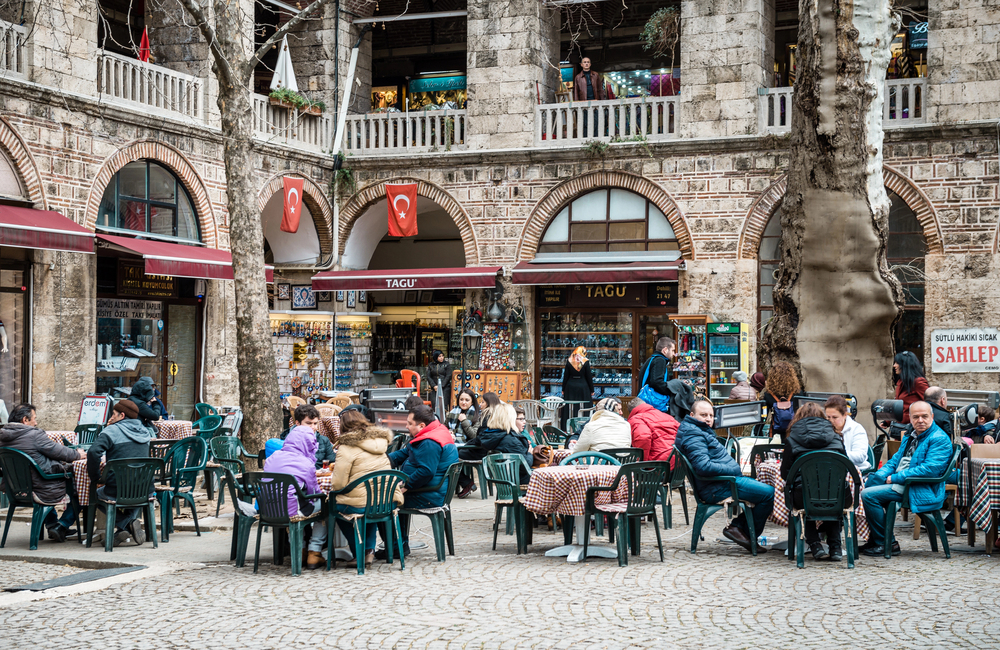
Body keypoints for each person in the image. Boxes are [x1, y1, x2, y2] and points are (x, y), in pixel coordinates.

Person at [674, 400, 774, 554]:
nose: (708, 419)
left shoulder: (697, 430)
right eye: (703, 415)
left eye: (711, 415)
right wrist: (731, 469)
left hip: (721, 482)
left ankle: (739, 529)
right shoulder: (693, 433)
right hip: (718, 486)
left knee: (766, 491)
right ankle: (740, 530)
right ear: (692, 415)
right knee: (769, 493)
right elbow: (703, 467)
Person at [860, 401, 952, 557]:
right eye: (916, 417)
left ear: (932, 416)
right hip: (907, 483)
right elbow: (895, 460)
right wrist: (881, 476)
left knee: (868, 496)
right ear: (910, 418)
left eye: (924, 416)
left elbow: (928, 470)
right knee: (865, 486)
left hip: (922, 487)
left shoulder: (939, 438)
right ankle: (876, 540)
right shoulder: (911, 435)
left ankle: (886, 543)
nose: (920, 420)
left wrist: (894, 478)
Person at [0, 403, 85, 543]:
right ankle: (61, 526)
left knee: (42, 480)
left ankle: (52, 524)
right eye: (34, 418)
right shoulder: (33, 435)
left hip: (16, 490)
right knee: (81, 488)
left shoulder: (2, 437)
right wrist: (77, 454)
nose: (36, 422)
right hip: (40, 488)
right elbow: (58, 451)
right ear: (25, 420)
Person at [381, 405, 458, 559]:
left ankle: (395, 547)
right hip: (431, 490)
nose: (406, 426)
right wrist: (378, 459)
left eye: (409, 423)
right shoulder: (433, 432)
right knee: (391, 495)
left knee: (383, 501)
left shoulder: (429, 442)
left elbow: (426, 472)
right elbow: (402, 454)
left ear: (421, 425)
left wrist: (404, 486)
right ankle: (399, 544)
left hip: (429, 494)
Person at [329, 408, 402, 569]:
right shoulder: (380, 443)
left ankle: (358, 552)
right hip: (386, 502)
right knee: (371, 506)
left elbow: (338, 484)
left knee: (334, 508)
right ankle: (369, 550)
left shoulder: (346, 448)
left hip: (361, 504)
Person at [780, 402, 849, 561]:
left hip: (803, 495)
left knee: (802, 496)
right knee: (831, 495)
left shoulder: (792, 440)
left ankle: (815, 545)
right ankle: (836, 547)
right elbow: (844, 468)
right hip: (836, 495)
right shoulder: (836, 438)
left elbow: (785, 474)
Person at [87, 400, 153, 547]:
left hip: (117, 489)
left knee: (95, 494)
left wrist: (96, 477)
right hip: (144, 489)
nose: (111, 417)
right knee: (135, 491)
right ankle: (126, 527)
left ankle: (126, 523)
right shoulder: (145, 431)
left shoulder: (112, 430)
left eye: (113, 414)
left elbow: (93, 452)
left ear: (122, 415)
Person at [263, 425, 327, 569]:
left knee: (294, 503)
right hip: (293, 511)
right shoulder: (306, 463)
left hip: (269, 510)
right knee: (325, 506)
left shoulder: (272, 458)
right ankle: (314, 552)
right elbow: (313, 493)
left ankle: (299, 551)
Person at [471, 403, 533, 482]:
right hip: (518, 481)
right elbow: (525, 465)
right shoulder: (509, 440)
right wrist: (530, 453)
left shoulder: (493, 436)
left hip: (505, 482)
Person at [455, 391, 501, 497]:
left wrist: (466, 445)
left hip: (480, 451)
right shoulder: (496, 416)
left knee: (449, 457)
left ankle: (467, 483)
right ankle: (465, 483)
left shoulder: (485, 416)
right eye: (461, 399)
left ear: (489, 403)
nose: (481, 404)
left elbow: (477, 437)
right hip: (485, 449)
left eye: (483, 402)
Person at [824, 395, 871, 473]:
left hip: (856, 471)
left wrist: (838, 454)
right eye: (828, 417)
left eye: (835, 417)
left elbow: (860, 456)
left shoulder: (856, 429)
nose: (831, 421)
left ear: (845, 415)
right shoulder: (824, 429)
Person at [628, 396, 680, 463]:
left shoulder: (635, 419)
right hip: (678, 460)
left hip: (658, 463)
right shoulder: (665, 415)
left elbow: (643, 437)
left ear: (631, 411)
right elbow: (682, 431)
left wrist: (642, 462)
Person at [638, 337, 677, 413]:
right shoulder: (660, 360)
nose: (674, 354)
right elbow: (656, 382)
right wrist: (672, 390)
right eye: (672, 350)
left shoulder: (652, 359)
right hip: (653, 406)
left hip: (645, 404)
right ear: (665, 350)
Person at [764, 361, 800, 440]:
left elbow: (764, 416)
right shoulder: (798, 393)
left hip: (777, 432)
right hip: (795, 431)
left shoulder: (768, 395)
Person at [892, 351, 928, 425]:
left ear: (904, 365)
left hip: (915, 428)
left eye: (897, 363)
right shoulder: (901, 383)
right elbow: (899, 408)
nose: (894, 366)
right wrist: (887, 422)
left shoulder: (918, 382)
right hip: (901, 427)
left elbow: (929, 404)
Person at [561, 346, 593, 428]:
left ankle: (567, 426)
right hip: (583, 386)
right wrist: (592, 390)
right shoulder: (585, 361)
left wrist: (563, 389)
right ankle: (584, 425)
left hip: (570, 386)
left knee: (569, 406)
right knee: (583, 406)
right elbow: (589, 377)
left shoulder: (570, 361)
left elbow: (565, 376)